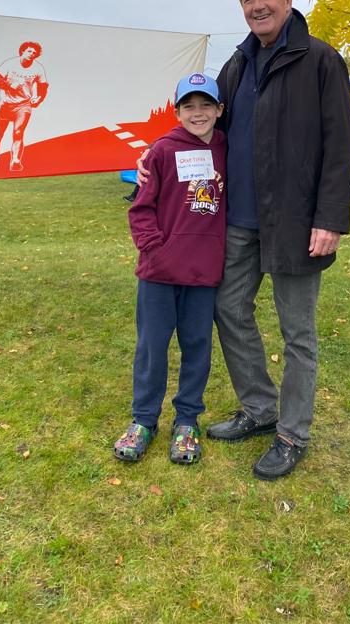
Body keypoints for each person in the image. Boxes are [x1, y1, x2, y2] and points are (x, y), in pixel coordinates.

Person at [139, 0, 350, 480]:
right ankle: (260, 407)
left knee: (296, 332)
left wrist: (329, 218)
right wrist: (158, 152)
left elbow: (340, 145)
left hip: (298, 224)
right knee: (228, 308)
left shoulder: (321, 61)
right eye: (247, 0)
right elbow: (208, 128)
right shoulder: (238, 64)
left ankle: (292, 434)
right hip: (238, 221)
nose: (257, 6)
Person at [114, 72, 227, 466]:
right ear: (177, 112)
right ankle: (144, 420)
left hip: (203, 274)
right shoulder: (161, 151)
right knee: (152, 348)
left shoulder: (228, 149)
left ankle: (187, 420)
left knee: (197, 347)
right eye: (189, 106)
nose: (198, 113)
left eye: (205, 105)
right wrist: (154, 249)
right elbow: (140, 208)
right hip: (159, 274)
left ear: (219, 110)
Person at [0, 41, 49, 173]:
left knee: (18, 132)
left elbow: (43, 87)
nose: (32, 54)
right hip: (6, 104)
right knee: (0, 133)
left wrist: (39, 98)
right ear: (22, 51)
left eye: (35, 53)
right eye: (30, 51)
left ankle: (15, 161)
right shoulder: (10, 63)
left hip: (23, 105)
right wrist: (10, 85)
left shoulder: (38, 68)